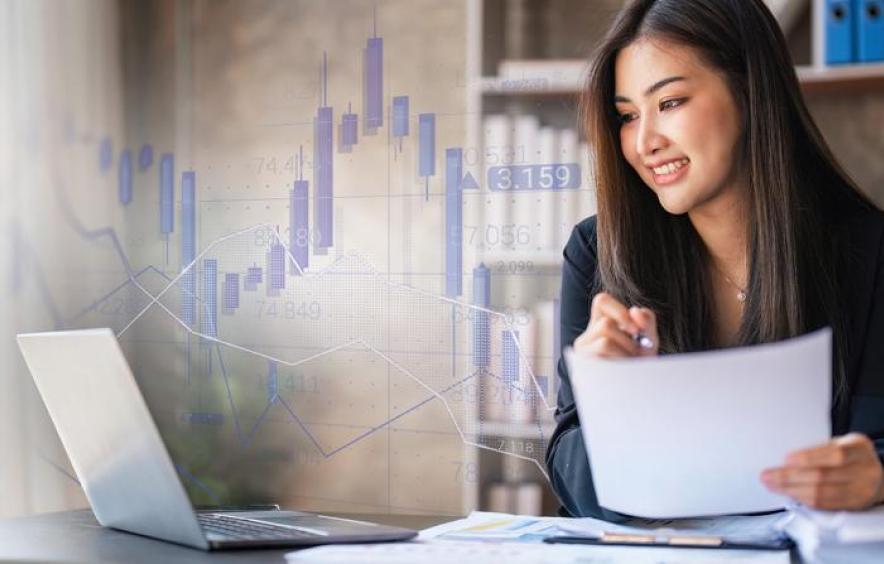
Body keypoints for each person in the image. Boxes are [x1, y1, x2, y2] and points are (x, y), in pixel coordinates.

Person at [546, 0, 884, 520]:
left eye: (672, 102)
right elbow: (582, 495)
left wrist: (877, 476)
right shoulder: (597, 253)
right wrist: (608, 400)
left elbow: (874, 443)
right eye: (627, 115)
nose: (645, 142)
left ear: (751, 91)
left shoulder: (871, 255)